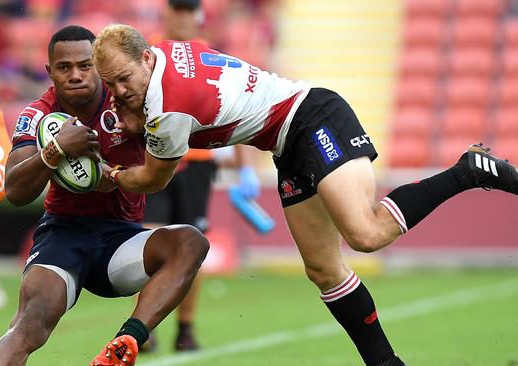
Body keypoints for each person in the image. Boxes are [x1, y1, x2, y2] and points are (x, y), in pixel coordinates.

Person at [91, 24, 518, 366]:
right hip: (287, 145)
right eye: (111, 85)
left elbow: (153, 180)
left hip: (313, 118)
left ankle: (465, 172)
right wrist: (132, 113)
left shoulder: (169, 107)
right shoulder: (161, 51)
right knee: (323, 270)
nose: (120, 92)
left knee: (365, 235)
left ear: (145, 58)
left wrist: (112, 175)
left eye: (125, 79)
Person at [0, 25, 209, 366]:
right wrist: (56, 149)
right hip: (63, 234)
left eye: (85, 65)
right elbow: (14, 190)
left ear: (98, 65)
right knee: (30, 325)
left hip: (120, 238)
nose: (76, 75)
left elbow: (164, 165)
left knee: (190, 242)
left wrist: (119, 170)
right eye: (64, 68)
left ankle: (126, 343)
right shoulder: (38, 115)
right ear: (50, 72)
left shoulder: (129, 99)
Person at [139, 0, 260, 352]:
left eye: (188, 10)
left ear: (198, 16)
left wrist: (245, 165)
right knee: (149, 245)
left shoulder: (210, 56)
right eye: (177, 10)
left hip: (197, 162)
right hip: (155, 160)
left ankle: (186, 328)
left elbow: (234, 108)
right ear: (167, 14)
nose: (182, 17)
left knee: (191, 247)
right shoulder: (147, 52)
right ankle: (143, 327)